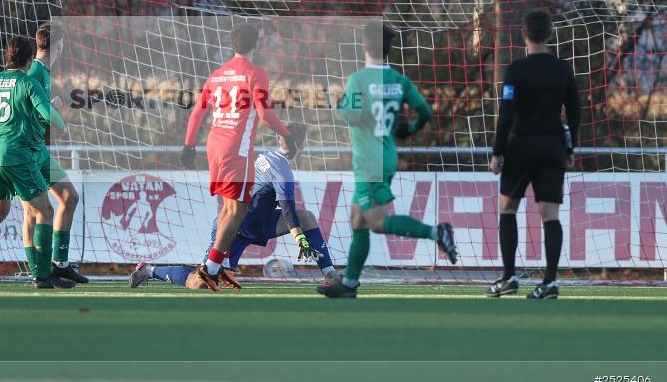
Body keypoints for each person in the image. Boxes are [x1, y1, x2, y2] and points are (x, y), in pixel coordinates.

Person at [319, 21, 457, 299]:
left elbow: (352, 116)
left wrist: (339, 104)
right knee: (358, 219)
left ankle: (436, 233)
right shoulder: (399, 81)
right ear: (388, 48)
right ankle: (349, 283)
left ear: (365, 46)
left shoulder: (358, 80)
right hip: (387, 154)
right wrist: (409, 129)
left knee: (377, 222)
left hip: (369, 161)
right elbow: (425, 112)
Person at [131, 125, 336, 289]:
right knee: (199, 282)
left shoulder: (269, 157)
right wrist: (300, 239)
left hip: (259, 223)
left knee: (307, 217)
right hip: (234, 230)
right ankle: (148, 270)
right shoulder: (282, 171)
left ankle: (330, 275)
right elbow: (289, 210)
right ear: (301, 146)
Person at [181, 22, 297, 291]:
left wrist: (188, 146)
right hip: (236, 147)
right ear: (255, 44)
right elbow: (266, 114)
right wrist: (287, 134)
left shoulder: (218, 74)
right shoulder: (255, 73)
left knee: (231, 208)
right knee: (237, 210)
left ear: (232, 45)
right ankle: (210, 267)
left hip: (214, 144)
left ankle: (218, 266)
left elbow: (197, 112)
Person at [0, 36, 70, 288]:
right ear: (29, 60)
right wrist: (61, 126)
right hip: (17, 156)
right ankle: (42, 276)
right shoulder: (28, 83)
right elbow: (46, 112)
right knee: (45, 211)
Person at [486, 8, 580, 300]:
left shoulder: (515, 71)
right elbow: (575, 111)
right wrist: (570, 146)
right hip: (552, 146)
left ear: (524, 34)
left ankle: (509, 277)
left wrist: (497, 152)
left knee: (507, 209)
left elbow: (506, 114)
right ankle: (550, 281)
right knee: (549, 214)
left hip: (521, 147)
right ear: (549, 34)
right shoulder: (563, 69)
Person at [22, 23, 87, 284]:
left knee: (69, 197)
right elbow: (23, 107)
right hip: (27, 152)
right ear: (58, 45)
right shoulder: (35, 71)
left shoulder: (44, 73)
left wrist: (48, 107)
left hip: (41, 152)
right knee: (31, 212)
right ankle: (38, 270)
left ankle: (60, 263)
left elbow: (34, 107)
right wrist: (49, 112)